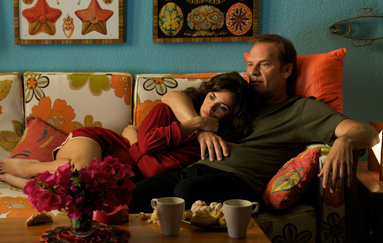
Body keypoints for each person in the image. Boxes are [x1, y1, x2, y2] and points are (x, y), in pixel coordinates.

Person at [128, 34, 379, 213]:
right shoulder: (239, 99)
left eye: (265, 64)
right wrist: (202, 127)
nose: (253, 72)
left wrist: (345, 141)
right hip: (195, 169)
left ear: (286, 70)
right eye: (250, 64)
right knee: (129, 194)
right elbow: (173, 96)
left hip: (241, 182)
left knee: (187, 192)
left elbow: (367, 133)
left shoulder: (302, 109)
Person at [0, 72, 258, 189]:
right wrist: (193, 124)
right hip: (100, 142)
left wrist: (133, 139)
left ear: (230, 116)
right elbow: (151, 147)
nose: (211, 109)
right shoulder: (167, 110)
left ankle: (18, 181)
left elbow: (152, 169)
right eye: (212, 98)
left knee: (80, 193)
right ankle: (27, 168)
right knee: (79, 171)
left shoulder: (201, 147)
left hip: (117, 168)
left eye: (222, 107)